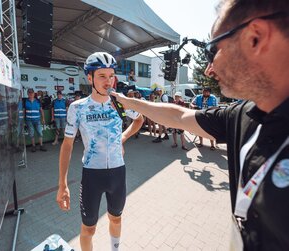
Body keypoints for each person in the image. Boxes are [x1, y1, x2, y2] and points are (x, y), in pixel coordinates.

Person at [111, 0, 289, 250]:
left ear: (255, 38)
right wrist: (128, 101)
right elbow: (178, 117)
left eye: (212, 51)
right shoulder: (243, 115)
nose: (208, 70)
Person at [56, 52, 143, 251]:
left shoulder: (120, 102)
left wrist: (123, 137)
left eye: (111, 75)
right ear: (89, 78)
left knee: (116, 219)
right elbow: (67, 145)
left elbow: (139, 120)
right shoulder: (77, 108)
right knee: (88, 229)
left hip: (117, 173)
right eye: (102, 76)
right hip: (92, 176)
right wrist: (62, 184)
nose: (108, 81)